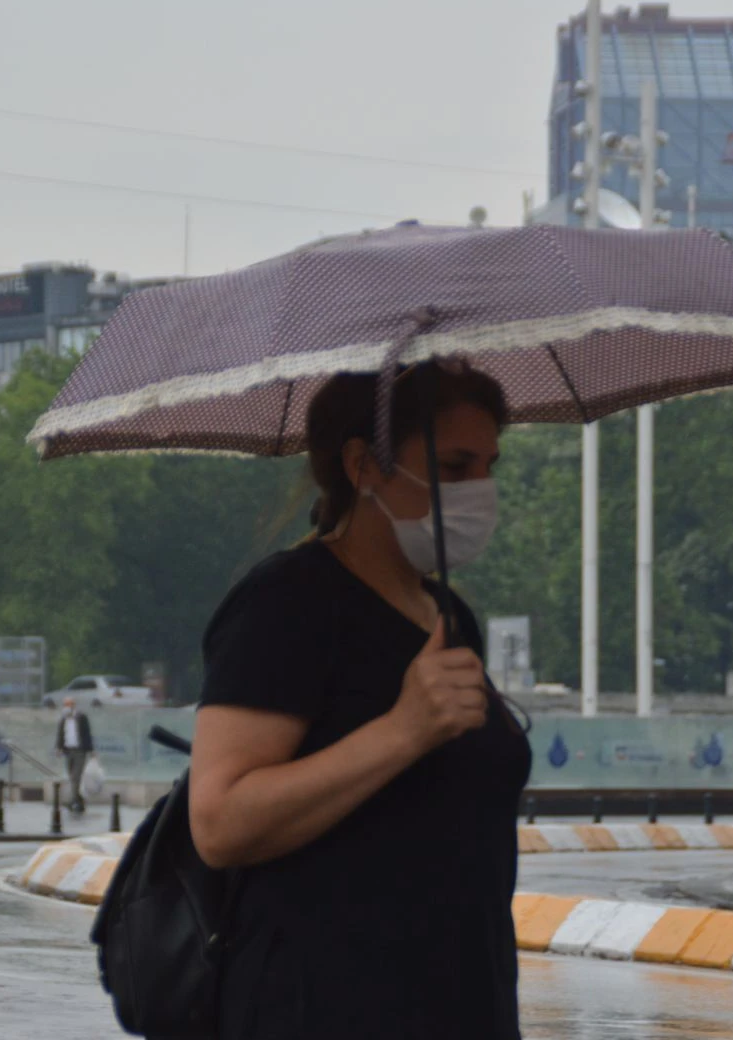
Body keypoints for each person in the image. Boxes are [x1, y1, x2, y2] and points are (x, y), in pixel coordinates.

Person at [188, 363, 530, 1040]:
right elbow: (220, 822)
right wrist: (403, 732)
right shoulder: (288, 602)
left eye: (489, 466)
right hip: (319, 1007)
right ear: (363, 465)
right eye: (454, 466)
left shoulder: (450, 615)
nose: (477, 491)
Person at [53, 697, 93, 814]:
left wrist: (91, 750)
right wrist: (58, 748)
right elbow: (60, 734)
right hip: (68, 751)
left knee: (76, 776)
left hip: (80, 750)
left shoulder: (81, 718)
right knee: (72, 776)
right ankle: (80, 801)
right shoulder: (63, 719)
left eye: (69, 704)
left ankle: (73, 801)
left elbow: (87, 733)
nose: (67, 707)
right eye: (65, 705)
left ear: (73, 705)